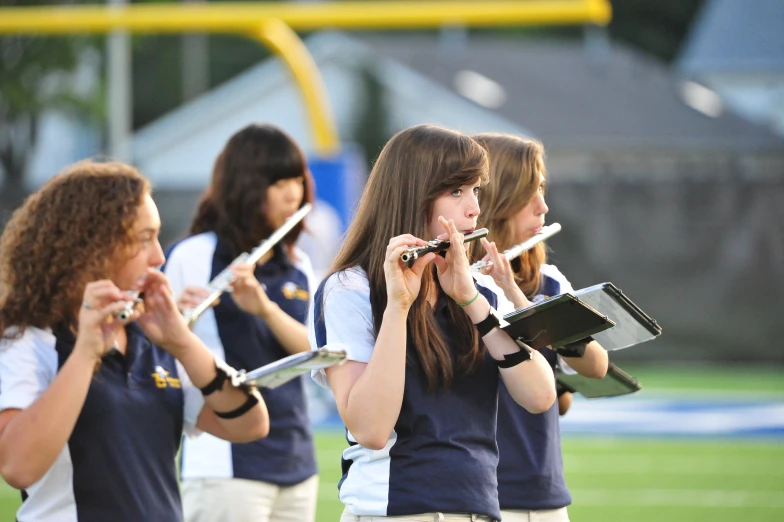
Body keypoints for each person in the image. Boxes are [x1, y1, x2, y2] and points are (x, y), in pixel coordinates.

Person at [310, 124, 557, 522]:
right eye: (457, 191)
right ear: (414, 193)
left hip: (477, 506)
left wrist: (471, 301)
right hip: (394, 508)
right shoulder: (349, 290)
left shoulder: (476, 288)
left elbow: (539, 396)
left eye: (475, 190)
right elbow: (371, 428)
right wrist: (398, 307)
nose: (475, 208)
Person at [0, 161, 269, 522]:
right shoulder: (30, 340)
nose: (159, 256)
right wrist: (85, 354)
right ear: (92, 247)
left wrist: (182, 343)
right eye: (144, 238)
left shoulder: (151, 337)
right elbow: (17, 467)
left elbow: (251, 424)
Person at [164, 124, 319, 522]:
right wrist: (176, 319)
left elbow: (316, 352)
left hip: (296, 459)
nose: (293, 193)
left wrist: (264, 308)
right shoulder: (194, 255)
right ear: (247, 187)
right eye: (278, 181)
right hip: (223, 462)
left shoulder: (298, 266)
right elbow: (158, 350)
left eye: (297, 180)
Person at [470, 133, 609, 522]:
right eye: (529, 192)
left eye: (543, 189)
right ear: (496, 198)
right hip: (479, 490)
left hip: (542, 487)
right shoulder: (452, 283)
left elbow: (596, 366)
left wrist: (518, 298)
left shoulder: (547, 282)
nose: (543, 206)